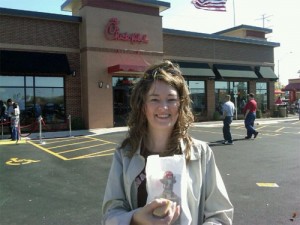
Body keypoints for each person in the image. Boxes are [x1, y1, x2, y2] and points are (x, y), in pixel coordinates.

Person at [102, 61, 234, 225]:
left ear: (180, 105)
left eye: (171, 99)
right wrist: (135, 218)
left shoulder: (201, 154)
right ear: (143, 106)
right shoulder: (125, 155)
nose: (164, 107)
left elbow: (220, 215)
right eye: (155, 99)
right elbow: (110, 215)